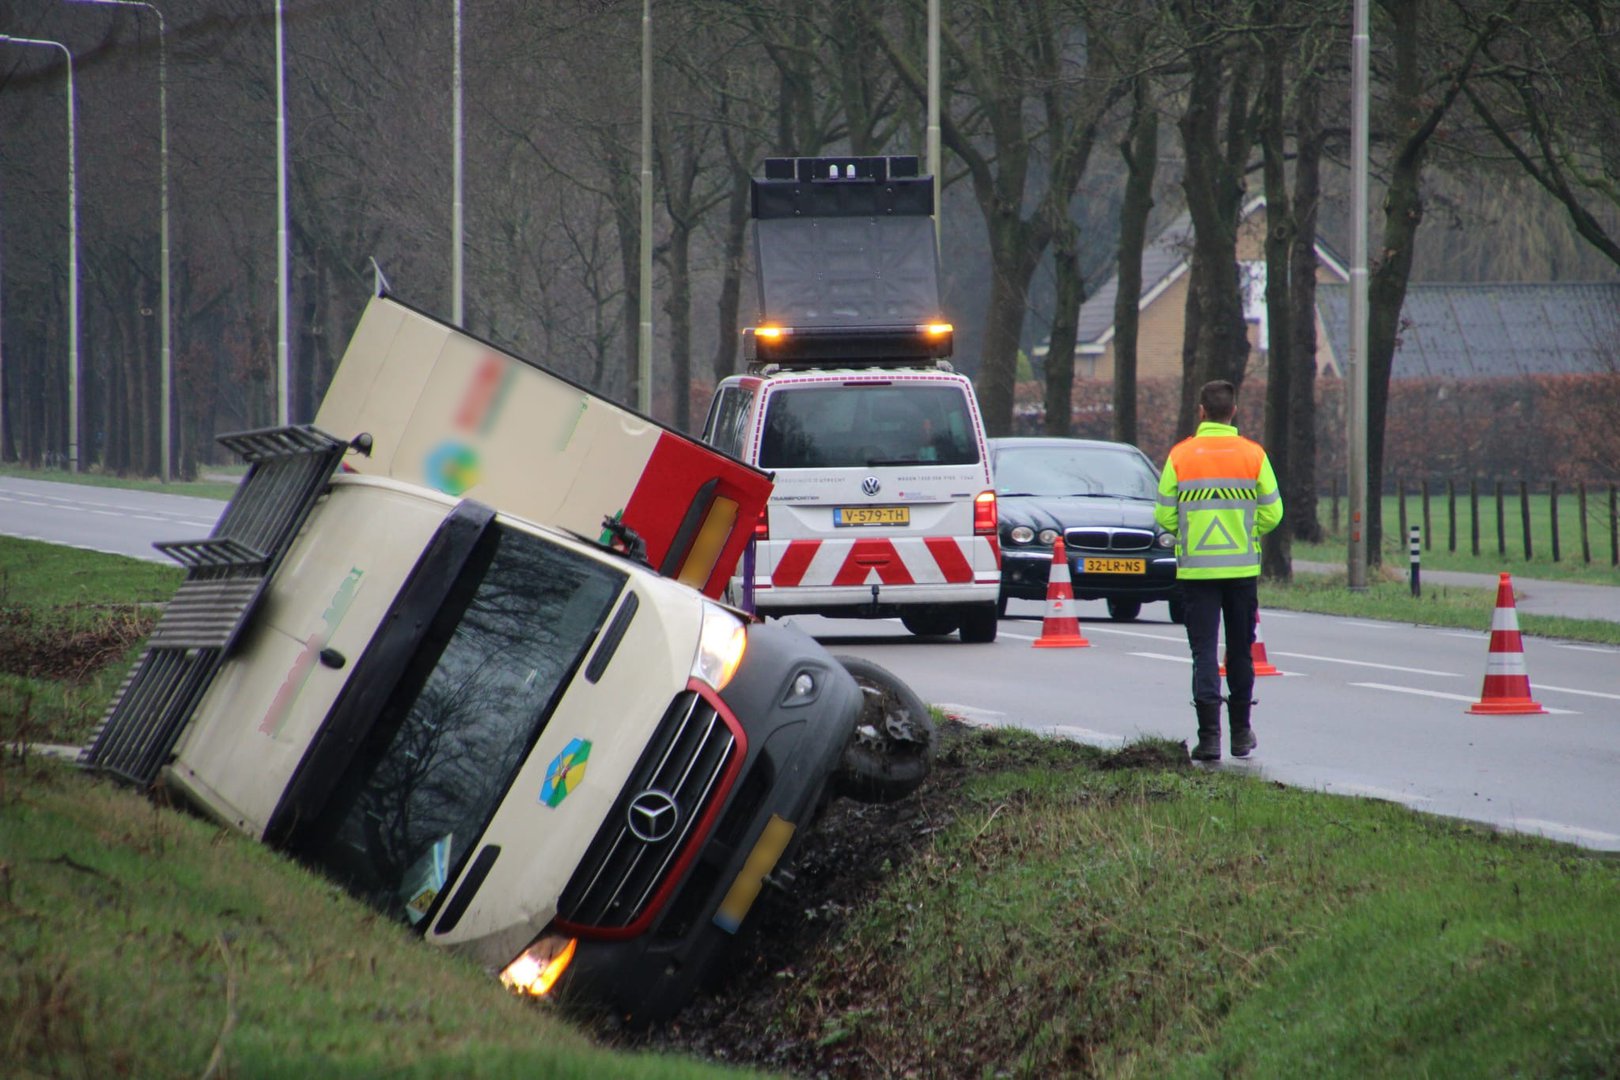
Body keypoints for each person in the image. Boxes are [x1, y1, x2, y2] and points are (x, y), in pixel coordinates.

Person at [1155, 380, 1283, 761]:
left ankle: (1209, 740)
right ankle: (1241, 735)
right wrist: (1244, 531)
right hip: (1241, 571)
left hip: (1197, 574)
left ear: (1200, 411)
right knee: (1241, 652)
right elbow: (1273, 512)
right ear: (1234, 411)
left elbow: (1164, 514)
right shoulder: (1254, 455)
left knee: (1204, 654)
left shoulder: (1180, 456)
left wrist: (1192, 533)